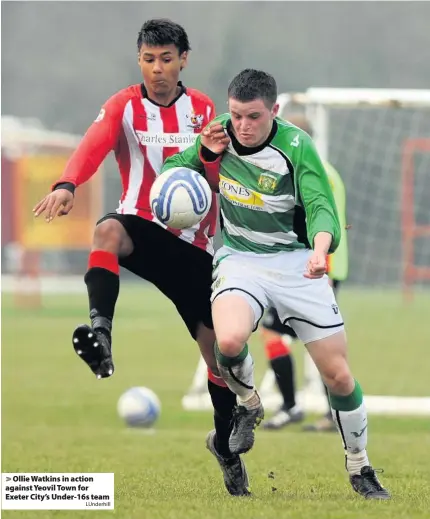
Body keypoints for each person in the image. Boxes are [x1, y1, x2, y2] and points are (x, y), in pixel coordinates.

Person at [33, 19, 250, 497]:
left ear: (183, 60)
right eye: (149, 60)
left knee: (220, 361)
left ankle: (226, 448)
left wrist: (210, 165)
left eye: (166, 59)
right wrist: (68, 184)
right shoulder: (124, 105)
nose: (157, 69)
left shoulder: (203, 110)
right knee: (107, 230)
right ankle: (102, 337)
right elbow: (93, 145)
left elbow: (213, 170)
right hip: (141, 225)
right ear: (140, 61)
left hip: (193, 247)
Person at [162, 69, 390, 499]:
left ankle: (360, 466)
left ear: (275, 112)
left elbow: (321, 204)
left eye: (253, 117)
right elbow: (174, 171)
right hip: (240, 259)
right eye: (235, 115)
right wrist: (205, 157)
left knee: (338, 377)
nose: (243, 126)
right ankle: (250, 404)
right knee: (227, 340)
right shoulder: (218, 136)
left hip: (297, 263)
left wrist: (321, 250)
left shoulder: (297, 147)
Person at [261, 113, 349, 433]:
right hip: (294, 270)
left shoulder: (318, 173)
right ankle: (292, 406)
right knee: (275, 333)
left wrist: (327, 269)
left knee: (320, 342)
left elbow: (330, 223)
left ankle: (326, 413)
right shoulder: (296, 170)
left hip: (319, 270)